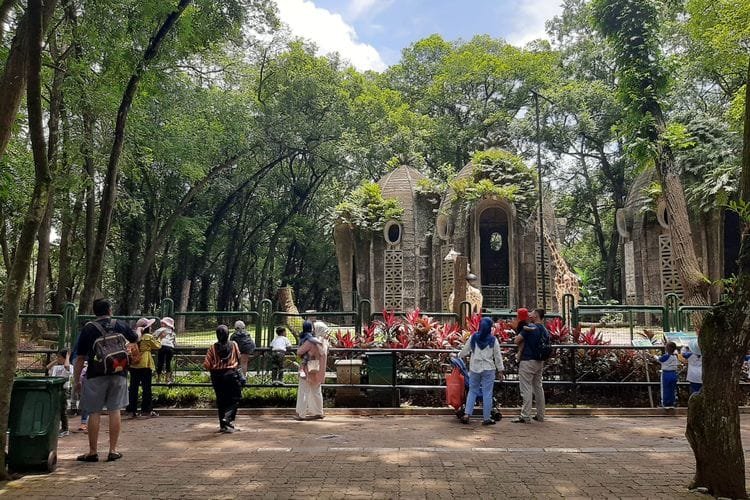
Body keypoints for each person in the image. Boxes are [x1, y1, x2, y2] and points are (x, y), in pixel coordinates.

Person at [73, 298, 142, 462]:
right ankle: (113, 450)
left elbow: (80, 357)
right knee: (115, 410)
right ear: (110, 310)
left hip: (95, 374)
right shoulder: (119, 324)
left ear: (94, 311)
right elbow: (135, 338)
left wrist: (77, 380)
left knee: (94, 412)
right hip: (118, 372)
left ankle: (92, 451)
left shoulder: (88, 328)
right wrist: (139, 330)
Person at [455, 317, 505, 425]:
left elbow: (465, 351)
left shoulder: (473, 337)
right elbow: (497, 356)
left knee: (472, 391)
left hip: (475, 368)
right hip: (489, 369)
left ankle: (467, 414)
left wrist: (457, 356)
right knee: (487, 393)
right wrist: (500, 370)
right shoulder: (493, 340)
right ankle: (486, 418)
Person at [203, 325, 243, 433]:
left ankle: (223, 425)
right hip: (231, 374)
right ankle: (228, 418)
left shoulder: (212, 348)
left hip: (216, 376)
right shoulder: (233, 344)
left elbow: (206, 364)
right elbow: (239, 358)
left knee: (221, 400)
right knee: (236, 397)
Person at [512, 308, 548, 423]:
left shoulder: (530, 328)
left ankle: (525, 415)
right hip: (540, 361)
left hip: (528, 360)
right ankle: (540, 414)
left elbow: (517, 340)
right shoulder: (544, 330)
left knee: (526, 388)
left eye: (532, 313)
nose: (530, 314)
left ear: (536, 316)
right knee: (538, 387)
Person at [126, 318, 161, 418]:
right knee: (146, 388)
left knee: (133, 387)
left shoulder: (133, 337)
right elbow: (157, 346)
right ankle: (146, 410)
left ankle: (131, 410)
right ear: (147, 328)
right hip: (145, 364)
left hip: (133, 364)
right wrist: (160, 338)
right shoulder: (148, 337)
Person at [295, 320, 328, 420]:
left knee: (303, 391)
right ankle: (318, 412)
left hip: (307, 369)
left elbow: (299, 352)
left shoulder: (310, 341)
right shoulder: (324, 342)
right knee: (316, 391)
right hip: (318, 369)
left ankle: (301, 413)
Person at [47, 349, 71, 437]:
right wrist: (57, 360)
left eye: (60, 357)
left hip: (63, 390)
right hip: (55, 390)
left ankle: (65, 429)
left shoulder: (69, 366)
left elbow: (67, 366)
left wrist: (67, 356)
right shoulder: (56, 367)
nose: (58, 358)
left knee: (62, 410)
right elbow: (48, 367)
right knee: (55, 409)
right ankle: (57, 427)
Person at [656, 341, 679, 408]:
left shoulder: (666, 356)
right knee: (672, 389)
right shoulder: (675, 356)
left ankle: (665, 404)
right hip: (674, 373)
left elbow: (659, 360)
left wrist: (654, 356)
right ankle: (672, 403)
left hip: (666, 374)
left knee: (665, 389)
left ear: (667, 348)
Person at [155, 317, 176, 384]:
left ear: (166, 324)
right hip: (170, 348)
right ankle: (167, 379)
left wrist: (158, 338)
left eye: (163, 323)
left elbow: (154, 335)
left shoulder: (162, 329)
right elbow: (174, 342)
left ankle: (158, 379)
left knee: (160, 362)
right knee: (168, 363)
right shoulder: (172, 332)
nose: (161, 323)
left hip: (162, 346)